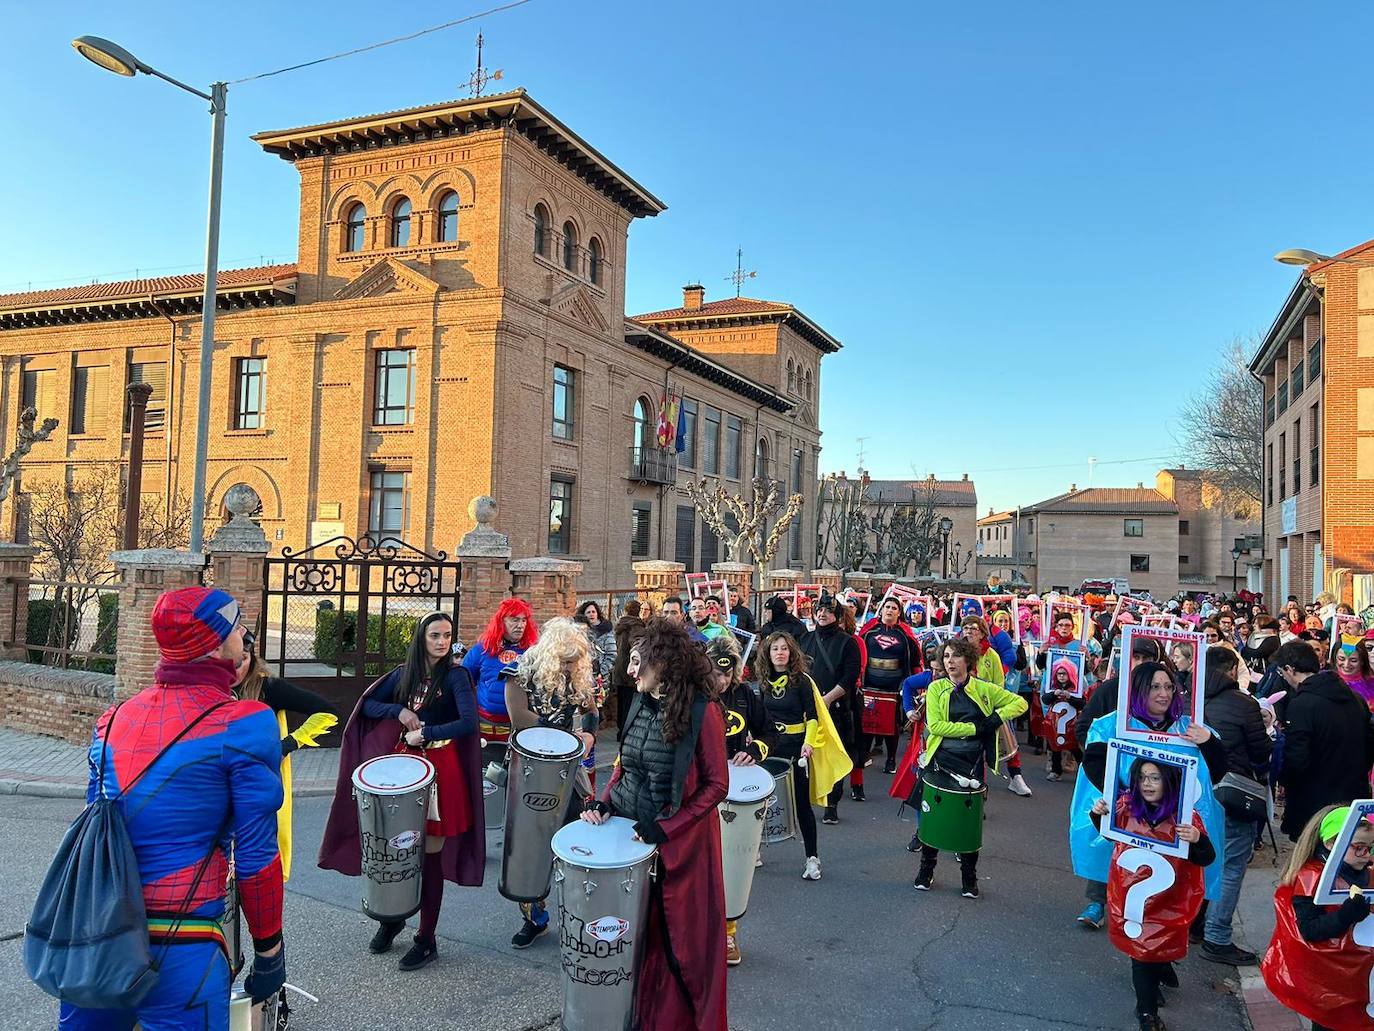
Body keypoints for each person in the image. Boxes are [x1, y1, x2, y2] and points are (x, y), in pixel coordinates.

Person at [58, 586, 286, 1031]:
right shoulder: (247, 723)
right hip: (182, 943)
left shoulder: (113, 718)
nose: (244, 634)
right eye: (238, 626)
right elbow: (258, 858)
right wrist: (269, 951)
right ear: (217, 643)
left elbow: (96, 829)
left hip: (98, 932)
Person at [581, 617, 729, 1031]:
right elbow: (624, 768)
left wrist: (671, 826)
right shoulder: (641, 704)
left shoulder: (704, 710)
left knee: (678, 947)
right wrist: (604, 803)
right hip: (632, 842)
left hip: (679, 850)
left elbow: (717, 785)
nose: (629, 672)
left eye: (635, 661)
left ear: (661, 661)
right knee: (631, 940)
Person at [320, 611, 483, 970]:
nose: (442, 642)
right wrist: (399, 711)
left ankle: (426, 938)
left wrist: (426, 732)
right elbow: (369, 704)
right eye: (435, 636)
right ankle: (392, 918)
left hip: (443, 775)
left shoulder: (456, 676)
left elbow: (469, 722)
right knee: (399, 850)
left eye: (447, 635)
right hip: (405, 770)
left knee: (430, 857)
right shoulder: (404, 673)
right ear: (421, 639)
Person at [1089, 762, 1214, 1031]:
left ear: (1168, 781)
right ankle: (1147, 1013)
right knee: (1142, 949)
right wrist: (1097, 814)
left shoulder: (1185, 819)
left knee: (1159, 945)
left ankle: (1161, 968)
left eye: (1155, 778)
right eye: (1143, 777)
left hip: (1170, 900)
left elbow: (1207, 857)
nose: (1147, 784)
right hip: (1134, 899)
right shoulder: (1125, 806)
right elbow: (1107, 833)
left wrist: (1196, 839)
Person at [501, 617, 599, 949]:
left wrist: (588, 733)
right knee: (531, 847)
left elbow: (591, 711)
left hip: (569, 771)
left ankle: (575, 915)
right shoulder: (520, 671)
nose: (571, 667)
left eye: (575, 661)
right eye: (565, 661)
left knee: (574, 842)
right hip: (528, 769)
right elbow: (519, 718)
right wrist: (567, 735)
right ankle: (534, 918)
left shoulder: (578, 674)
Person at [913, 635, 1027, 898]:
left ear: (968, 659)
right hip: (940, 761)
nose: (950, 661)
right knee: (933, 817)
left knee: (968, 822)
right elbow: (937, 726)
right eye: (946, 656)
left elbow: (1019, 703)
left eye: (955, 656)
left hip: (972, 763)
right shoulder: (935, 688)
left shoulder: (984, 689)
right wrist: (975, 728)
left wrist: (997, 717)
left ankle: (969, 879)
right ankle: (925, 871)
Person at [232, 636, 338, 881]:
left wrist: (288, 744)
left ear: (252, 658)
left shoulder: (268, 688)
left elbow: (327, 712)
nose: (235, 669)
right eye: (229, 661)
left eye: (242, 660)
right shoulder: (208, 689)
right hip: (218, 780)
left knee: (260, 856)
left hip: (262, 780)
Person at [1261, 805, 1374, 1031]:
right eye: (1359, 847)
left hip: (1360, 976)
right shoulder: (1311, 877)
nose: (1367, 855)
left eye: (1371, 848)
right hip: (1329, 982)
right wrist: (1346, 916)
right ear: (1331, 843)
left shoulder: (1366, 871)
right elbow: (1309, 930)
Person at [1198, 645, 1272, 966]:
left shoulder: (1189, 699)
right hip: (1232, 793)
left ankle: (1195, 923)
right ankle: (1217, 935)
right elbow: (1261, 753)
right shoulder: (1243, 704)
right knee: (1231, 865)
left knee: (1201, 858)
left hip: (1197, 792)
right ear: (1231, 670)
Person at [705, 634, 775, 967]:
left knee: (731, 866)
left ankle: (729, 930)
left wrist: (754, 749)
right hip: (700, 788)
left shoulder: (746, 696)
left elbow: (768, 733)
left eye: (726, 674)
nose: (720, 681)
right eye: (715, 674)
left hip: (734, 790)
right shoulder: (692, 695)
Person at [1274, 640, 1374, 841]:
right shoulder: (1355, 699)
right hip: (1353, 793)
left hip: (1315, 802)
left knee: (1316, 860)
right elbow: (1369, 747)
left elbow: (1297, 758)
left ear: (1290, 669)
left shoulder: (1301, 704)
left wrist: (1284, 781)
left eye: (1282, 673)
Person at [758, 631, 824, 880]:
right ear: (768, 652)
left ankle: (812, 859)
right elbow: (760, 718)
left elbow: (813, 717)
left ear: (791, 652)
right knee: (761, 803)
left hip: (796, 750)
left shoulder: (802, 681)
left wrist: (808, 744)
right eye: (775, 648)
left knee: (802, 805)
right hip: (770, 750)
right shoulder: (764, 682)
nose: (780, 653)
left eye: (784, 648)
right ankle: (754, 851)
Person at [801, 594, 863, 823]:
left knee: (833, 754)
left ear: (836, 615)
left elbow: (850, 676)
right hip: (807, 708)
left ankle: (832, 803)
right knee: (806, 755)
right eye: (819, 610)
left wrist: (827, 699)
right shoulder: (805, 639)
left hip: (834, 706)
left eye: (828, 611)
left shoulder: (848, 643)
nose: (822, 614)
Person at [961, 614, 1031, 796]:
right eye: (966, 628)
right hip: (964, 707)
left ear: (982, 633)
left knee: (1008, 738)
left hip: (989, 705)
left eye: (973, 629)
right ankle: (975, 785)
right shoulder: (957, 652)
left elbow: (999, 683)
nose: (968, 632)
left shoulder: (992, 655)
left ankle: (1016, 778)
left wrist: (988, 700)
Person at [462, 598, 537, 761]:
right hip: (483, 726)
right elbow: (463, 683)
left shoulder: (533, 652)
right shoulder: (482, 650)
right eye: (514, 619)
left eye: (524, 620)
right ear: (501, 621)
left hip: (518, 728)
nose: (520, 625)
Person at [859, 597, 922, 774]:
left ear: (899, 612)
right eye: (887, 607)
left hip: (893, 688)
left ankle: (891, 759)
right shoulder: (869, 631)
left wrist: (913, 686)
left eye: (894, 608)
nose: (890, 610)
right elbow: (858, 655)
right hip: (869, 686)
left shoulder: (905, 635)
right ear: (881, 610)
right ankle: (863, 756)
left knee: (892, 725)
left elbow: (914, 661)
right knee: (867, 722)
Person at [1042, 656, 1086, 782]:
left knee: (1074, 748)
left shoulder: (1075, 690)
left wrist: (1070, 698)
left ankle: (1085, 771)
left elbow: (1082, 703)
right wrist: (1053, 694)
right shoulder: (1053, 688)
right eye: (1059, 673)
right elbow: (1045, 700)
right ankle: (1056, 771)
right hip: (1056, 725)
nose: (1061, 676)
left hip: (1071, 726)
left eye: (1064, 674)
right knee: (1055, 747)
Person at [612, 599, 646, 737]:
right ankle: (626, 731)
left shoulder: (620, 625)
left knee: (621, 700)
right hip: (631, 669)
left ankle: (620, 729)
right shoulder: (637, 626)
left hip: (619, 667)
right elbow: (638, 647)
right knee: (631, 702)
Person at [573, 600, 617, 682]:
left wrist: (602, 671)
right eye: (588, 612)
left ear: (597, 614)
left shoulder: (606, 631)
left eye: (593, 612)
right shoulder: (579, 632)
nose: (591, 614)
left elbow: (612, 654)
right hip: (582, 676)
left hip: (600, 678)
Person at [1332, 631, 1374, 709]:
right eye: (1341, 659)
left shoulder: (1371, 685)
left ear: (1362, 661)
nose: (1346, 664)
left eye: (1353, 660)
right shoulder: (1324, 681)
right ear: (1335, 658)